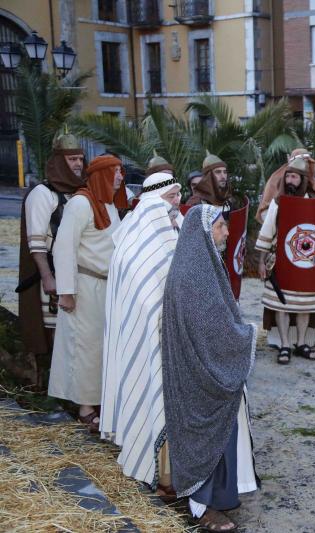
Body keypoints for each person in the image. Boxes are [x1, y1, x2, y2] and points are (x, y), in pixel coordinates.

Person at [161, 205, 258, 532]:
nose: (228, 233)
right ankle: (201, 507)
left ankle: (218, 499)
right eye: (220, 226)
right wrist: (246, 335)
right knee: (206, 439)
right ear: (202, 231)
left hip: (206, 370)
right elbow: (208, 326)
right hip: (200, 376)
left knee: (222, 436)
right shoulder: (191, 274)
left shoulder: (200, 264)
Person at [99, 172, 182, 500]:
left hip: (169, 338)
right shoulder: (140, 234)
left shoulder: (167, 225)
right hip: (152, 338)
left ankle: (168, 473)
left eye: (179, 195)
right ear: (155, 199)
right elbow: (147, 298)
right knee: (151, 396)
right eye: (172, 197)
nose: (177, 202)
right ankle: (162, 477)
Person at [50, 154, 127, 432]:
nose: (120, 176)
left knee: (100, 347)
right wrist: (66, 291)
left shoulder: (109, 204)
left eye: (121, 171)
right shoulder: (81, 203)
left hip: (106, 288)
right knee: (84, 347)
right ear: (101, 175)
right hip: (85, 286)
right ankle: (84, 407)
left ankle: (99, 401)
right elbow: (64, 248)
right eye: (115, 172)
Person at [17, 133, 86, 387]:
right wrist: (47, 276)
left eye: (80, 158)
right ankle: (58, 388)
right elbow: (36, 243)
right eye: (71, 159)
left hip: (79, 275)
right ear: (59, 161)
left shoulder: (80, 193)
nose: (78, 164)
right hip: (54, 275)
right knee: (58, 334)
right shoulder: (42, 194)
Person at [255, 149, 315, 364]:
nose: (291, 180)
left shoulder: (314, 201)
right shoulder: (277, 203)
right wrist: (261, 261)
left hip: (307, 261)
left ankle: (301, 343)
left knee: (304, 305)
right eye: (288, 176)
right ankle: (284, 345)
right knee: (281, 304)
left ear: (302, 180)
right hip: (279, 260)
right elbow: (267, 230)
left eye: (295, 176)